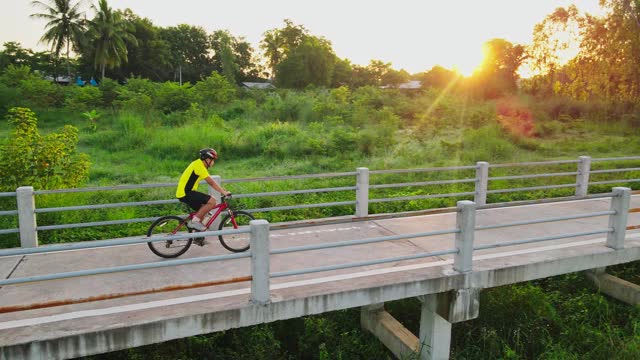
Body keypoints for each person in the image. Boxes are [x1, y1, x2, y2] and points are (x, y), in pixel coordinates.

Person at [176, 148, 230, 231]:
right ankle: (194, 222)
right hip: (186, 193)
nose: (213, 163)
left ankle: (198, 237)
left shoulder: (198, 164)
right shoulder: (199, 166)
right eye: (213, 160)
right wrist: (223, 192)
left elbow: (211, 182)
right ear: (207, 159)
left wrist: (222, 190)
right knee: (212, 201)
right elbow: (211, 182)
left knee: (203, 212)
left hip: (186, 193)